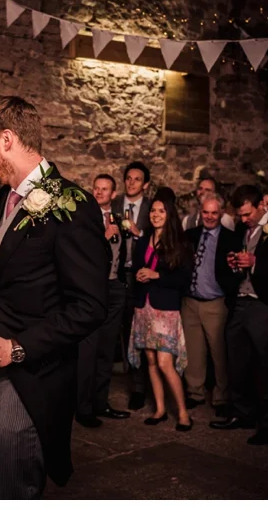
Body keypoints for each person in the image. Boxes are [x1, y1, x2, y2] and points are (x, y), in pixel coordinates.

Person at [0, 96, 109, 499]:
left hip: (33, 374)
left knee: (14, 480)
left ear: (6, 140)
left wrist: (17, 348)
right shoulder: (5, 196)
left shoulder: (73, 205)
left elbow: (90, 306)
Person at [211, 185, 268, 445]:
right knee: (237, 363)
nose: (244, 219)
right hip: (239, 302)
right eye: (240, 215)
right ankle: (243, 414)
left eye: (247, 214)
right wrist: (233, 263)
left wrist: (256, 263)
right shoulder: (241, 230)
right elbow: (235, 262)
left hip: (265, 304)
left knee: (267, 365)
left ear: (262, 204)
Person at [128, 197, 193, 431]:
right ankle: (160, 409)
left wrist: (157, 275)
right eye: (153, 211)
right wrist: (139, 274)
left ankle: (183, 413)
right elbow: (137, 268)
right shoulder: (143, 240)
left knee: (165, 363)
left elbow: (184, 279)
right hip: (144, 306)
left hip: (165, 309)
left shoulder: (179, 243)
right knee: (151, 361)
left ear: (169, 215)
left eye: (161, 211)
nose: (156, 214)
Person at [75, 174, 130, 429]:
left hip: (115, 288)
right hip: (93, 289)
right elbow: (79, 252)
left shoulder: (118, 219)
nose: (98, 192)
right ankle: (83, 408)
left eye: (104, 189)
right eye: (96, 188)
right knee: (88, 350)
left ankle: (101, 403)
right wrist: (104, 237)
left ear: (113, 194)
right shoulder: (85, 218)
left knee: (107, 349)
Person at [181, 193, 240, 418]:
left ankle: (221, 396)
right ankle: (194, 392)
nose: (209, 216)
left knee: (219, 353)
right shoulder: (190, 235)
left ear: (222, 213)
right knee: (193, 351)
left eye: (214, 213)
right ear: (200, 212)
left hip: (216, 303)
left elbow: (236, 272)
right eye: (206, 212)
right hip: (190, 301)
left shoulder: (231, 239)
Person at [111, 162, 151, 411]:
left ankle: (138, 388)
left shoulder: (151, 208)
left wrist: (139, 233)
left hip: (140, 275)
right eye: (128, 178)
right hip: (115, 274)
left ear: (145, 184)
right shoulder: (114, 204)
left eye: (137, 179)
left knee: (138, 332)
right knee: (115, 330)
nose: (132, 182)